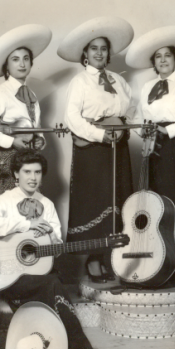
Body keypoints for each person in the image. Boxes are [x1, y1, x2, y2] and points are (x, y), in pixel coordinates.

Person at [0, 150, 108, 349]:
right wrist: (24, 227)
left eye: (37, 172)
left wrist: (51, 238)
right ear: (16, 174)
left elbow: (56, 250)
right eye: (27, 171)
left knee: (52, 282)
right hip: (10, 275)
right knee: (53, 285)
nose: (33, 177)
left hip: (39, 274)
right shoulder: (5, 200)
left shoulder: (46, 204)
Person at [57, 17, 135, 283]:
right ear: (85, 54)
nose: (99, 53)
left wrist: (126, 127)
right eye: (94, 48)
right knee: (95, 202)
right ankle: (93, 259)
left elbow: (132, 109)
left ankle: (110, 258)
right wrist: (101, 135)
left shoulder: (117, 80)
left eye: (103, 48)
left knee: (117, 201)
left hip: (118, 148)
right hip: (93, 149)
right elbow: (72, 119)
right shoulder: (80, 82)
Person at [125, 25, 175, 281]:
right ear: (154, 62)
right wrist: (146, 132)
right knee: (158, 200)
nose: (162, 60)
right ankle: (164, 257)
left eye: (167, 55)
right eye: (158, 57)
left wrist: (165, 131)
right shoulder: (148, 86)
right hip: (155, 144)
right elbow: (138, 117)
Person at [0, 24, 52, 202]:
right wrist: (11, 141)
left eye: (26, 58)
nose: (22, 63)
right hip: (9, 159)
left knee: (31, 209)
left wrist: (40, 138)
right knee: (10, 209)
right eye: (15, 59)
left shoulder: (31, 95)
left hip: (31, 158)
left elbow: (35, 127)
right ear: (6, 66)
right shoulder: (0, 93)